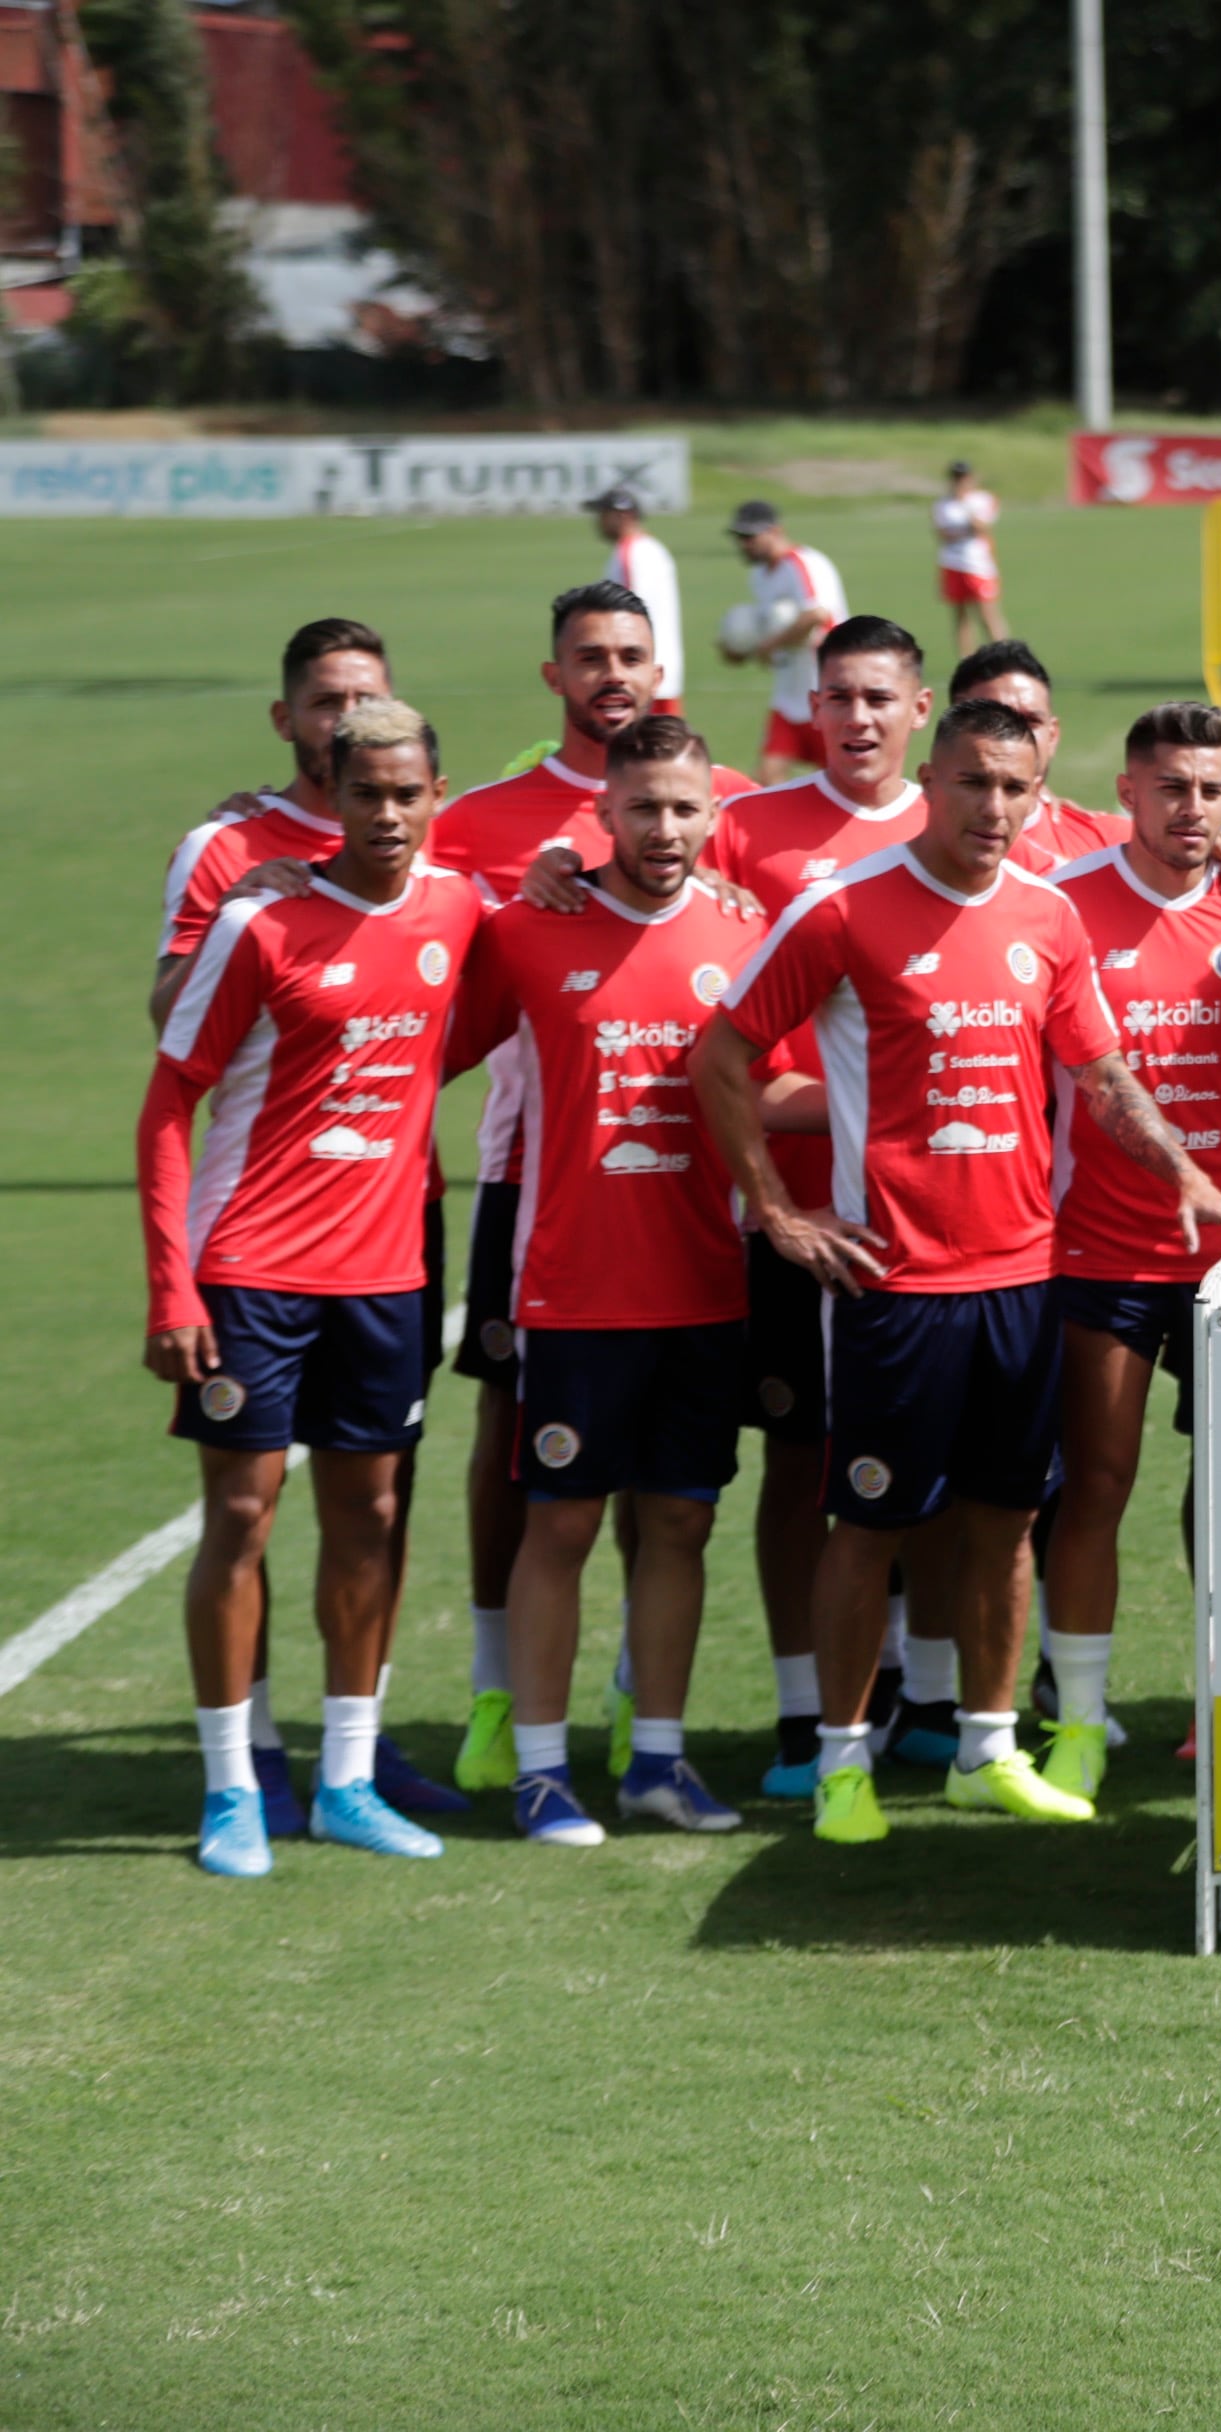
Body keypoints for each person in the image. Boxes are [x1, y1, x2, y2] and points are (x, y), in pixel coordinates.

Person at [699, 698, 1221, 1847]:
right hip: (892, 1282)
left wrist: (1182, 1174)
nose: (992, 808)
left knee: (1008, 1521)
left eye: (1011, 787)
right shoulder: (840, 910)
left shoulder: (1046, 917)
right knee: (873, 1523)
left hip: (1021, 1274)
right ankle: (844, 1763)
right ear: (932, 781)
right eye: (971, 784)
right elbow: (721, 1056)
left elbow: (1101, 1073)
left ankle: (987, 1751)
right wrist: (777, 1209)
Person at [528, 614, 930, 1784]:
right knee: (795, 1463)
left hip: (914, 1211)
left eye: (878, 698)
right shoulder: (743, 825)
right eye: (837, 697)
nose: (856, 718)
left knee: (919, 1467)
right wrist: (551, 865)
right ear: (812, 702)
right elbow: (628, 863)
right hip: (764, 1216)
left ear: (917, 707)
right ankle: (804, 1708)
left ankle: (918, 1687)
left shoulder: (961, 811)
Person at [140, 699, 476, 1876]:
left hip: (386, 1277)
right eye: (366, 791)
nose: (387, 814)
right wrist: (172, 1289)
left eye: (408, 792)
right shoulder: (262, 921)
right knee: (241, 1515)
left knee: (371, 1515)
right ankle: (234, 1783)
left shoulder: (459, 907)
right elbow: (167, 1103)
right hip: (250, 1272)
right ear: (327, 794)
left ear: (438, 794)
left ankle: (346, 1778)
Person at [429, 583, 754, 1790]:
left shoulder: (741, 919)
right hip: (547, 1203)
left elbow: (792, 1068)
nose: (611, 668)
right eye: (589, 654)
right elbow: (421, 1015)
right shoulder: (511, 872)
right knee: (539, 1483)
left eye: (631, 653)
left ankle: (650, 1744)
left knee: (678, 1508)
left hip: (700, 1247)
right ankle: (513, 1727)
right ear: (554, 671)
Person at [1042, 703, 1221, 1801]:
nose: (1194, 809)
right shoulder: (1064, 907)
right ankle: (1082, 1724)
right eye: (1172, 789)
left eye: (1210, 789)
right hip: (1100, 1243)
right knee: (1094, 1485)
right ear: (1128, 792)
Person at [150, 618, 394, 1025]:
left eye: (369, 702)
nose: (350, 723)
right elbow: (174, 1025)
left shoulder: (430, 836)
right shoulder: (221, 849)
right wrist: (225, 929)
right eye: (326, 703)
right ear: (284, 720)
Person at [952, 639, 1125, 871]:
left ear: (1052, 735)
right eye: (995, 720)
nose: (1017, 735)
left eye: (1031, 721)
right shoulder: (910, 835)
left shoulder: (1112, 847)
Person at [721, 500, 847, 781]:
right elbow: (773, 628)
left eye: (750, 537)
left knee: (841, 785)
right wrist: (742, 648)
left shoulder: (802, 563)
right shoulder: (760, 576)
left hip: (824, 692)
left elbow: (817, 614)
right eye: (739, 538)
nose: (744, 544)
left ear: (775, 531)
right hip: (789, 696)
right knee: (766, 778)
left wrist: (770, 645)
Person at [590, 485, 686, 714]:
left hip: (639, 673)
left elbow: (630, 611)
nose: (598, 522)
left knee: (647, 747)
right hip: (656, 667)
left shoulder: (630, 552)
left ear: (623, 515)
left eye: (604, 514)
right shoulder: (652, 548)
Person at [934, 459, 1007, 656]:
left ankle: (1004, 657)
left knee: (987, 614)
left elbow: (981, 527)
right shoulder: (943, 504)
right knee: (960, 617)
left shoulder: (982, 500)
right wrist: (965, 530)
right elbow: (943, 535)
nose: (960, 482)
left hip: (978, 565)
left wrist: (966, 510)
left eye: (963, 477)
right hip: (952, 563)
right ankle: (966, 660)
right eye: (956, 478)